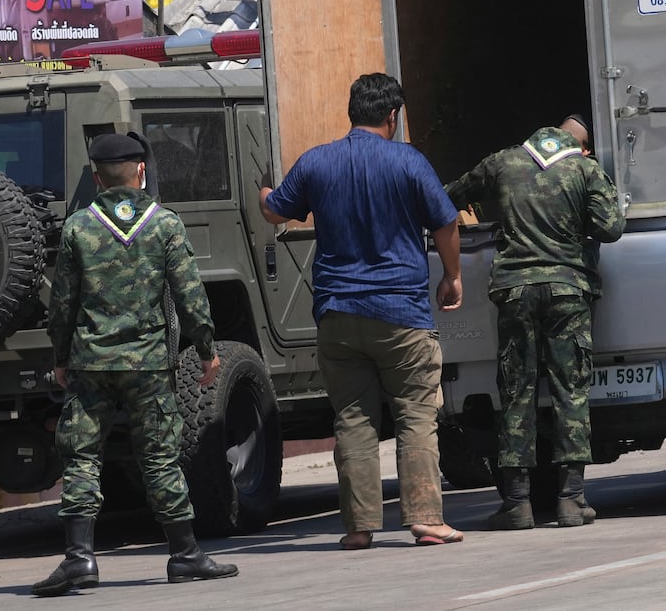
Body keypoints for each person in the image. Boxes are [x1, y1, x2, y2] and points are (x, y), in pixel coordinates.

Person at [259, 73, 465, 549]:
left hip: (338, 314)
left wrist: (265, 190)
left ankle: (358, 527)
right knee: (415, 414)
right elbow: (446, 220)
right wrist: (452, 276)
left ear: (352, 112)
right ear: (392, 116)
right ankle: (426, 519)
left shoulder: (317, 162)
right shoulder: (409, 162)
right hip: (402, 314)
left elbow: (276, 211)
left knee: (352, 418)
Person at [34, 132, 238, 597]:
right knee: (160, 457)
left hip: (91, 365)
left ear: (95, 175)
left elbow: (62, 304)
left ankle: (79, 559)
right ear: (141, 170)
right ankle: (185, 554)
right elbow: (190, 296)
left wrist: (61, 358)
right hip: (148, 366)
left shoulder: (77, 228)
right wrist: (206, 350)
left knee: (82, 456)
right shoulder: (165, 224)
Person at [445, 113, 624, 530]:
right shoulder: (585, 168)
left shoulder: (504, 162)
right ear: (582, 146)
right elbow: (611, 228)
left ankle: (518, 503)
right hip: (567, 290)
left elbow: (446, 196)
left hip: (515, 293)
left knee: (516, 392)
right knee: (570, 391)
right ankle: (570, 500)